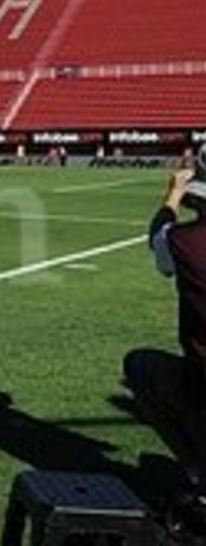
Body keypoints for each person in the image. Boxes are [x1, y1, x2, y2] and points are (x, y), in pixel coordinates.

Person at [126, 148, 206, 493]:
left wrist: (173, 194)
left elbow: (159, 234)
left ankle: (197, 471)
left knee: (140, 366)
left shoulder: (183, 242)